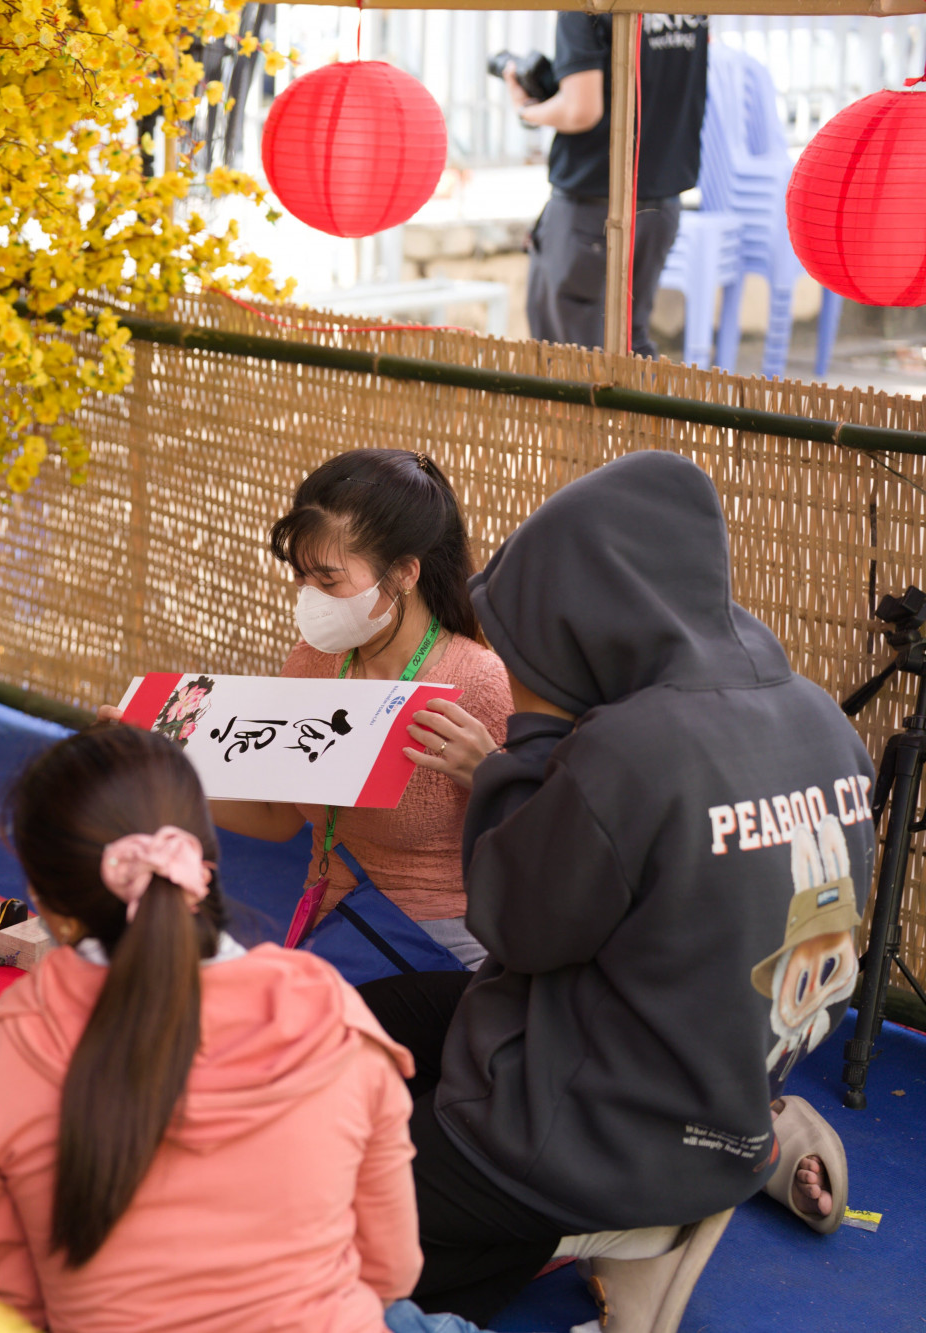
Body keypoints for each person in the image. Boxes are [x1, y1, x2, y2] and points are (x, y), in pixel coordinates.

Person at [356, 451, 873, 1327]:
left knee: (306, 1225)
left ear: (580, 629)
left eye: (522, 650)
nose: (515, 672)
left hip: (589, 1135)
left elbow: (513, 923)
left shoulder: (628, 751)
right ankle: (747, 1147)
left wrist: (523, 751)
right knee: (378, 1017)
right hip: (708, 1070)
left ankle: (597, 1229)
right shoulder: (820, 715)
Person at [0, 724, 488, 1333]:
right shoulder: (327, 1011)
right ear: (202, 864)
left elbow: (13, 1299)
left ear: (43, 899)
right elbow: (390, 1270)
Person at [213, 449, 511, 966]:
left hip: (439, 953)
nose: (310, 599)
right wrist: (161, 765)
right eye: (301, 579)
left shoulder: (478, 684)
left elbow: (548, 849)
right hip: (329, 933)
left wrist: (493, 777)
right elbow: (278, 816)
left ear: (403, 574)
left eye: (328, 582)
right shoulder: (313, 663)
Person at [504, 13, 709, 357]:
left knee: (567, 361)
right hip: (661, 204)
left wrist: (527, 109)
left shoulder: (586, 5)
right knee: (630, 345)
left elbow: (581, 110)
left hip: (594, 207)